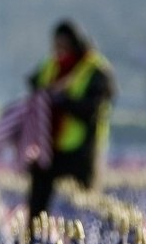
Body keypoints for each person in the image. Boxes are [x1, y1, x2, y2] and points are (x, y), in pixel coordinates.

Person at [25, 21, 115, 219]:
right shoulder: (50, 65)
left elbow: (96, 108)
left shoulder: (95, 69)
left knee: (83, 205)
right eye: (57, 45)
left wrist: (64, 101)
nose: (60, 51)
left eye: (64, 45)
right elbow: (33, 85)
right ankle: (36, 238)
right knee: (38, 203)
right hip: (49, 146)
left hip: (82, 147)